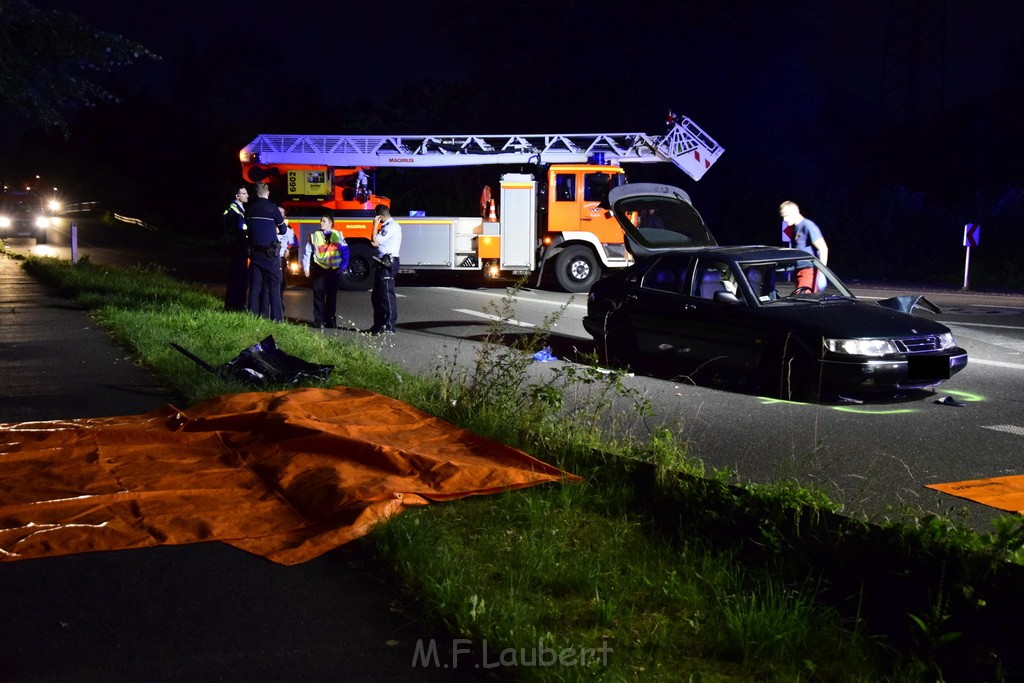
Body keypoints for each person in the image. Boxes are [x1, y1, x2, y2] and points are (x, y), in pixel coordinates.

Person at [245, 182, 288, 322]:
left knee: (255, 287)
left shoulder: (250, 209)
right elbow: (283, 230)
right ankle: (277, 319)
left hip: (255, 253)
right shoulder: (272, 209)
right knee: (274, 287)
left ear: (256, 193)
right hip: (270, 255)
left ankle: (252, 317)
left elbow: (249, 229)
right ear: (267, 193)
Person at [302, 213, 349, 328]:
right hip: (319, 268)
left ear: (330, 223)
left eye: (324, 221)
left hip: (334, 269)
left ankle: (330, 321)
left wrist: (343, 266)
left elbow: (345, 252)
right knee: (318, 295)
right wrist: (306, 268)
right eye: (321, 221)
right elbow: (307, 252)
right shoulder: (315, 236)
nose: (321, 223)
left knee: (332, 296)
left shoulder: (338, 235)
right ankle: (318, 321)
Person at [779, 200, 829, 292]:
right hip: (799, 269)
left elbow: (823, 248)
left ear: (795, 212)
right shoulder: (794, 228)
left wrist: (822, 273)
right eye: (783, 216)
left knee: (804, 299)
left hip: (809, 270)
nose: (784, 219)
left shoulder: (808, 226)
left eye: (786, 215)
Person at [368, 204, 401, 334]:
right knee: (377, 296)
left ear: (379, 216)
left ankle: (389, 326)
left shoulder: (391, 227)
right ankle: (378, 325)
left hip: (388, 262)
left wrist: (374, 225)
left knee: (386, 295)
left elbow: (374, 242)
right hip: (382, 263)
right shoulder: (388, 226)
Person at [222, 185, 249, 311]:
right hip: (238, 246)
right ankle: (235, 305)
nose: (247, 195)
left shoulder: (239, 210)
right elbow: (237, 230)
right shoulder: (234, 210)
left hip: (239, 246)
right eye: (244, 193)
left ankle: (234, 304)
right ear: (237, 196)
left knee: (238, 275)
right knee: (238, 276)